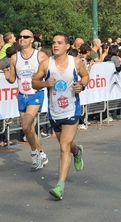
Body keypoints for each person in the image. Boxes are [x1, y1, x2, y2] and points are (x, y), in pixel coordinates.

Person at [32, 32, 89, 200]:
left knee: (64, 146)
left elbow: (85, 76)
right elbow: (34, 83)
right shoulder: (46, 64)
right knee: (68, 146)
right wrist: (43, 83)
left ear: (67, 46)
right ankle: (77, 152)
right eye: (53, 43)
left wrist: (82, 86)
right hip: (54, 112)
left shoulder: (75, 62)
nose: (55, 45)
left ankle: (59, 186)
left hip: (72, 110)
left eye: (59, 43)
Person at [4, 29, 48, 170]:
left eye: (25, 36)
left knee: (25, 126)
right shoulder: (14, 58)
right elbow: (12, 79)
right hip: (21, 95)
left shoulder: (40, 56)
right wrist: (7, 75)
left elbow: (50, 74)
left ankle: (34, 154)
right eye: (20, 36)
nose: (22, 38)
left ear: (31, 39)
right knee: (29, 129)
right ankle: (41, 153)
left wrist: (40, 75)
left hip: (36, 94)